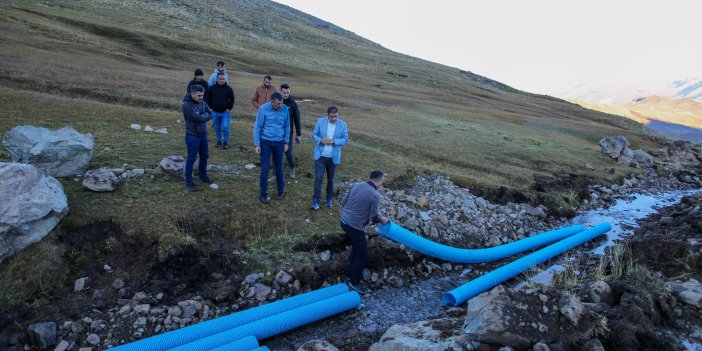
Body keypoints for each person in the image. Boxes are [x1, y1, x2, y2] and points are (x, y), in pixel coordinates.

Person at [340, 170, 389, 294]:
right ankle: (353, 282)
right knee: (362, 254)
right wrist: (384, 220)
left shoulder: (357, 185)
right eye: (382, 182)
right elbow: (374, 218)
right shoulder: (375, 195)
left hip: (343, 220)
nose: (381, 184)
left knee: (357, 248)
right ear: (378, 181)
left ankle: (348, 275)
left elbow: (344, 202)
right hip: (354, 226)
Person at [253, 92, 289, 204]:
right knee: (265, 168)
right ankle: (263, 194)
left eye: (281, 103)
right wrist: (257, 144)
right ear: (272, 102)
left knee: (279, 167)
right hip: (265, 142)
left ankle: (281, 191)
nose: (280, 106)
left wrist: (286, 142)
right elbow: (257, 126)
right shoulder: (263, 109)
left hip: (279, 142)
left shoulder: (285, 109)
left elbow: (287, 126)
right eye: (278, 104)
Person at [310, 106, 348, 210]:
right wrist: (321, 140)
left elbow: (345, 140)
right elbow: (314, 135)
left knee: (331, 180)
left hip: (333, 158)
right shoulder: (320, 121)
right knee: (318, 179)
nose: (334, 119)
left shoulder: (343, 124)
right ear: (328, 115)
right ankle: (315, 200)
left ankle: (328, 199)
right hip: (320, 157)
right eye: (332, 117)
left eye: (336, 116)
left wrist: (334, 141)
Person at [182, 85, 213, 192]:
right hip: (192, 135)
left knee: (204, 156)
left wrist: (202, 116)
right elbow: (197, 118)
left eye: (202, 95)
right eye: (199, 95)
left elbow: (211, 114)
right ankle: (189, 181)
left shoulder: (203, 102)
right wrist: (203, 116)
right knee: (191, 158)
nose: (201, 98)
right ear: (192, 94)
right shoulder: (187, 105)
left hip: (203, 135)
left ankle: (202, 176)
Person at [206, 72, 235, 149]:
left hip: (225, 113)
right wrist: (210, 107)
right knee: (217, 127)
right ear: (217, 79)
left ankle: (225, 142)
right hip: (215, 112)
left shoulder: (229, 89)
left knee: (225, 127)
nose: (222, 80)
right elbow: (208, 98)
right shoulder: (212, 88)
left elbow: (232, 99)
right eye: (220, 79)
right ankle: (219, 141)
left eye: (223, 79)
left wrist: (229, 108)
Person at [281, 83, 302, 178]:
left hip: (288, 133)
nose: (286, 94)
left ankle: (292, 167)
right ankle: (276, 173)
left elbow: (297, 120)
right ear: (280, 92)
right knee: (275, 152)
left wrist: (299, 134)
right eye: (284, 93)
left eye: (287, 92)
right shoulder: (277, 102)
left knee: (288, 151)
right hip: (276, 132)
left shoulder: (293, 104)